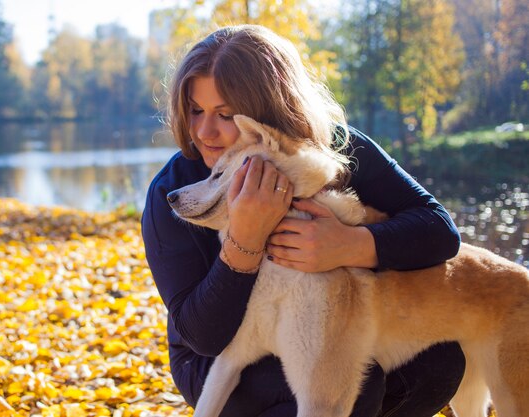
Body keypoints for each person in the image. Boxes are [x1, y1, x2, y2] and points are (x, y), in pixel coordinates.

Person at [141, 25, 465, 417]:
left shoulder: (336, 149)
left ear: (268, 111)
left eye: (225, 114)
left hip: (334, 321)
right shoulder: (173, 192)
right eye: (196, 110)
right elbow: (201, 337)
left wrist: (350, 244)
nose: (205, 132)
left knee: (438, 360)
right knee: (344, 385)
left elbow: (439, 231)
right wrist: (244, 241)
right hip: (219, 357)